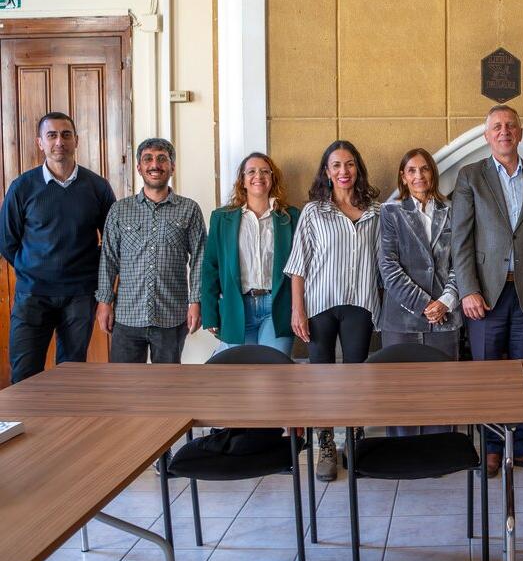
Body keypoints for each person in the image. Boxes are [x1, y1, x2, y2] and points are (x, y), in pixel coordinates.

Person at [451, 105, 523, 476]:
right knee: (488, 374)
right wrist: (468, 290)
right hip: (485, 296)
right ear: (486, 135)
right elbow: (460, 241)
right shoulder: (470, 176)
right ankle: (493, 446)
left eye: (510, 125)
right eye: (497, 126)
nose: (504, 131)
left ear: (520, 133)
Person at [284, 140, 381, 481]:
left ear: (358, 169)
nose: (344, 171)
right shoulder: (313, 211)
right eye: (336, 165)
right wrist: (298, 309)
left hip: (360, 306)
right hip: (320, 305)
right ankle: (325, 442)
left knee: (357, 377)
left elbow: (384, 261)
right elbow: (298, 265)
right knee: (321, 377)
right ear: (326, 171)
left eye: (350, 164)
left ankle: (354, 439)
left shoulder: (375, 211)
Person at [0, 112, 116, 383]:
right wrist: (33, 268)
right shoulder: (22, 187)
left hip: (79, 295)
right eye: (51, 135)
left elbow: (112, 241)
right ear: (40, 142)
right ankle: (26, 426)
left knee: (71, 376)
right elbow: (7, 240)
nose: (59, 142)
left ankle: (66, 427)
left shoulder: (97, 187)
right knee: (25, 374)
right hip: (33, 295)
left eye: (65, 135)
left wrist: (92, 274)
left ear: (76, 140)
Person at [96, 138, 206, 364]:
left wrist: (196, 301)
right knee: (123, 386)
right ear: (139, 167)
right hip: (127, 316)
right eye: (148, 159)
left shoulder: (189, 209)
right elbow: (108, 259)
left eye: (162, 159)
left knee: (167, 389)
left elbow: (200, 259)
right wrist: (104, 302)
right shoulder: (119, 210)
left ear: (172, 167)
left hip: (171, 315)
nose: (155, 165)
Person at [379, 148, 459, 436]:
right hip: (401, 319)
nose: (418, 175)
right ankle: (403, 451)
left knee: (440, 389)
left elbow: (460, 262)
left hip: (445, 317)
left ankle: (438, 450)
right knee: (400, 391)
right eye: (411, 170)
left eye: (424, 169)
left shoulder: (452, 210)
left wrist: (446, 302)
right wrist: (426, 304)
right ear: (403, 176)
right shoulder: (390, 212)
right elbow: (388, 266)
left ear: (432, 173)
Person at [201, 152, 300, 356]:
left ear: (272, 179)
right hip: (237, 306)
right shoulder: (222, 218)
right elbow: (210, 267)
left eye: (265, 171)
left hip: (277, 307)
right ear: (243, 180)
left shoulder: (290, 217)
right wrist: (209, 313)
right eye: (252, 171)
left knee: (273, 371)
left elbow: (301, 266)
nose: (259, 176)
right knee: (239, 374)